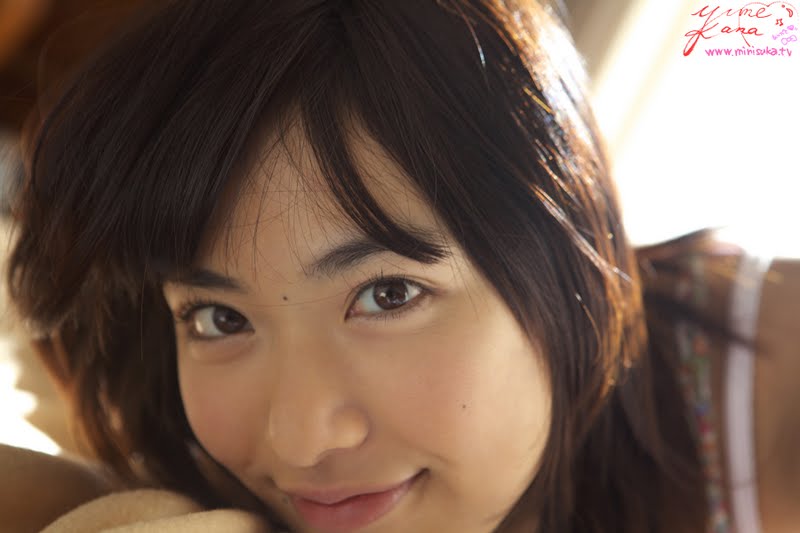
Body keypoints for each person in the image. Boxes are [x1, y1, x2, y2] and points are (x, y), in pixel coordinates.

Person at [3, 0, 799, 532]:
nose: (301, 439)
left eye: (389, 293)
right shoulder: (159, 412)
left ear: (565, 251)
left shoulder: (769, 408)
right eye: (220, 317)